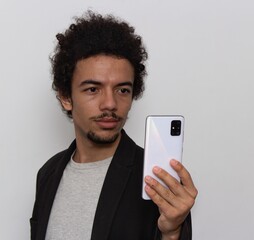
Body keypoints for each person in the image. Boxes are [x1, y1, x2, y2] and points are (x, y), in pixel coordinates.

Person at [30, 11, 197, 240]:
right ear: (66, 97)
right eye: (92, 89)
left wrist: (172, 233)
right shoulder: (47, 174)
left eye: (122, 90)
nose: (110, 103)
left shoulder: (155, 180)